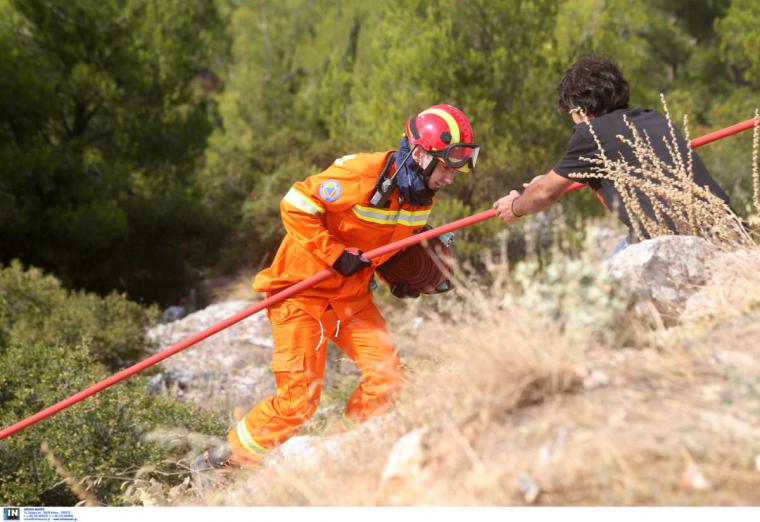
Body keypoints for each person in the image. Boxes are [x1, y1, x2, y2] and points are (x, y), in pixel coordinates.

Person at [193, 104, 479, 472]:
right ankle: (219, 462)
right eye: (445, 165)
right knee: (299, 402)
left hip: (351, 296)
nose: (450, 177)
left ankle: (344, 452)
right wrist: (335, 255)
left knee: (387, 379)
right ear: (420, 153)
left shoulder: (421, 193)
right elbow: (295, 204)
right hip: (299, 294)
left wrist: (398, 279)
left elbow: (388, 243)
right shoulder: (361, 173)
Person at [493, 56, 731, 245]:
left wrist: (515, 207)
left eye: (571, 112)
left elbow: (545, 193)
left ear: (582, 109)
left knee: (596, 291)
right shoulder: (654, 118)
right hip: (726, 227)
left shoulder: (591, 133)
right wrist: (549, 180)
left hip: (676, 242)